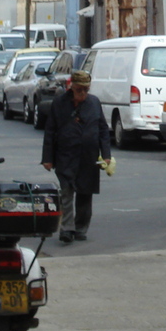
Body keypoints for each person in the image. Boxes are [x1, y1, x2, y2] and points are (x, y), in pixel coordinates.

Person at [41, 69, 112, 244]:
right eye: (79, 89)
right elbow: (50, 131)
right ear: (71, 87)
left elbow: (103, 129)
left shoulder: (94, 102)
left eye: (86, 90)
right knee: (66, 192)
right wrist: (47, 158)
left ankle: (81, 229)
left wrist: (106, 155)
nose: (83, 93)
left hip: (88, 157)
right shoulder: (59, 103)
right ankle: (66, 229)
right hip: (65, 155)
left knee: (85, 194)